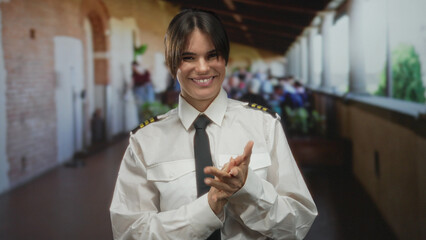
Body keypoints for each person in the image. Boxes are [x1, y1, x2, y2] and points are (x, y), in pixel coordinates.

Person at [110, 9, 317, 240]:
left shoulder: (264, 126)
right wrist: (207, 209)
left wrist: (248, 189)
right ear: (172, 63)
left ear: (224, 59)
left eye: (212, 55)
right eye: (188, 57)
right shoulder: (145, 141)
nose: (202, 68)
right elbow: (129, 233)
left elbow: (298, 223)